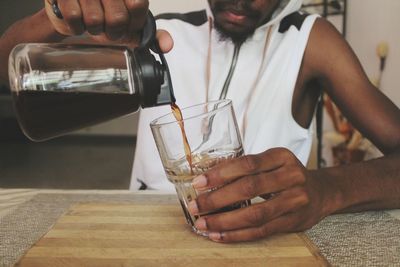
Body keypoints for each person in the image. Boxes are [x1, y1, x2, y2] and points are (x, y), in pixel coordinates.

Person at [0, 0, 399, 243]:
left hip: (260, 242)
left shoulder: (311, 41)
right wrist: (56, 16)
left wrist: (326, 190)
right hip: (140, 235)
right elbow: (11, 70)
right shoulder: (163, 33)